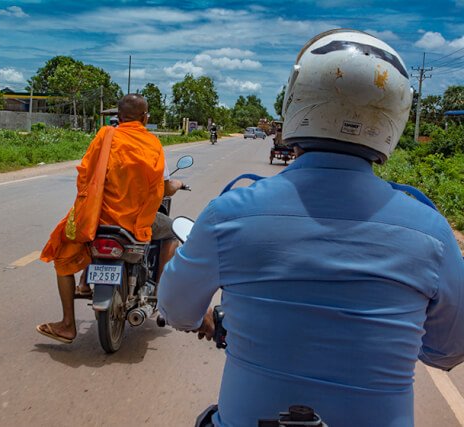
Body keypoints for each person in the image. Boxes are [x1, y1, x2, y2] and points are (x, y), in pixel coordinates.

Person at [158, 29, 464, 426]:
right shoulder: (433, 232)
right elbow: (445, 351)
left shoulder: (230, 212)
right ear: (395, 115)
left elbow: (176, 310)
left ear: (297, 101)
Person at [38, 94, 183, 344]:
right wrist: (177, 184)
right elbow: (164, 188)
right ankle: (159, 291)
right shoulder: (152, 144)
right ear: (145, 117)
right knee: (172, 231)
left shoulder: (104, 138)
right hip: (136, 224)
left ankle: (68, 324)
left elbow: (86, 176)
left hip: (99, 221)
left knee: (62, 254)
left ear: (119, 116)